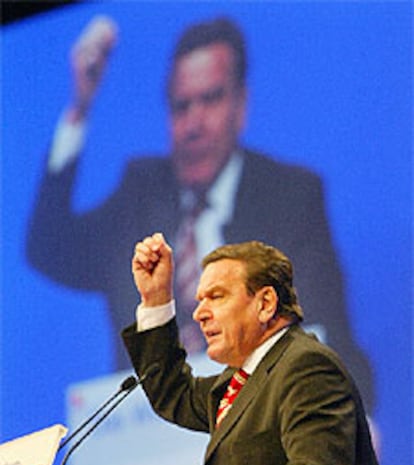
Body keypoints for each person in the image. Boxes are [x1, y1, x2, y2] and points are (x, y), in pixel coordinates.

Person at [26, 15, 374, 415]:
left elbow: (333, 340)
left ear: (241, 105)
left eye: (210, 100)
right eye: (180, 106)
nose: (193, 123)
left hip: (267, 422)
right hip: (147, 444)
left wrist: (354, 422)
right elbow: (49, 247)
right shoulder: (139, 192)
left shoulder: (290, 196)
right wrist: (79, 107)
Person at [122, 232, 394, 465]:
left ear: (265, 303)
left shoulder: (307, 365)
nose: (199, 313)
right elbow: (175, 394)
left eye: (217, 296)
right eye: (199, 300)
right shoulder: (243, 379)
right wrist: (156, 300)